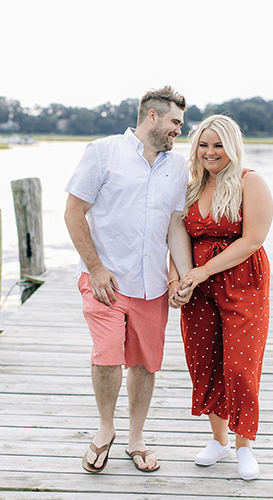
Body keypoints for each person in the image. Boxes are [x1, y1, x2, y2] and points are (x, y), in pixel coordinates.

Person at [64, 86, 193, 474]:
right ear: (151, 116)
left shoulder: (178, 166)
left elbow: (174, 226)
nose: (179, 131)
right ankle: (105, 429)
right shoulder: (103, 152)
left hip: (153, 286)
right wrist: (96, 266)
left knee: (145, 364)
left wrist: (182, 278)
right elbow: (74, 212)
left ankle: (136, 438)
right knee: (107, 356)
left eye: (181, 125)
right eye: (174, 122)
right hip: (105, 282)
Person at [168, 114, 273, 480]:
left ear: (232, 147)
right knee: (205, 361)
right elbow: (177, 235)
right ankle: (219, 441)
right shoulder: (191, 185)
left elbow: (253, 240)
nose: (210, 153)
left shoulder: (249, 182)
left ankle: (244, 445)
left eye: (218, 145)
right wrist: (176, 280)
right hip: (197, 288)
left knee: (241, 367)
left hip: (243, 282)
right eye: (203, 145)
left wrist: (203, 271)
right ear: (195, 147)